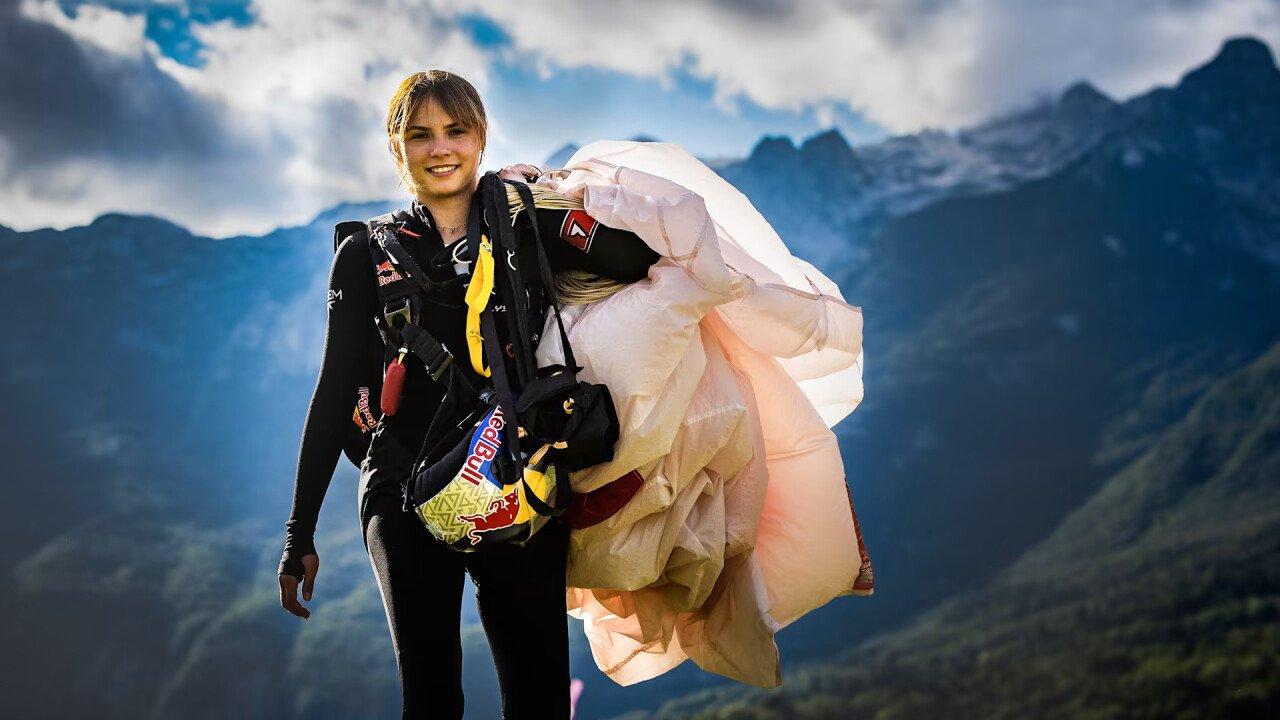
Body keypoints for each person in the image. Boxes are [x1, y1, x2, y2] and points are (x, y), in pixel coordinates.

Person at [276, 70, 658, 719]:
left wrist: (558, 212)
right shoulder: (364, 254)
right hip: (402, 489)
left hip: (518, 479)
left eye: (455, 130)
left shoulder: (525, 225)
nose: (440, 146)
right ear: (399, 149)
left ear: (480, 138)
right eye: (420, 134)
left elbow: (636, 261)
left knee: (539, 704)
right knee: (431, 701)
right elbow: (335, 386)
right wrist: (298, 534)